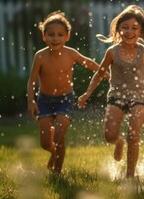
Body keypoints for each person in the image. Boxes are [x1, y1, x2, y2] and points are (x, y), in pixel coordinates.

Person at [78, 5, 144, 178]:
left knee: (133, 136)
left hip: (140, 97)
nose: (129, 31)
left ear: (141, 31)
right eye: (125, 27)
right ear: (118, 29)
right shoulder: (112, 52)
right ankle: (118, 142)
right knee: (109, 135)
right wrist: (87, 93)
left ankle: (130, 176)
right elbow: (99, 74)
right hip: (117, 95)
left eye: (134, 28)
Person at [27, 11, 102, 174]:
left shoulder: (71, 53)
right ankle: (52, 153)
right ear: (44, 36)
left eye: (60, 35)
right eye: (51, 35)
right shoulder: (40, 56)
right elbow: (32, 80)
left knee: (59, 138)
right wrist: (31, 101)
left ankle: (57, 173)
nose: (55, 38)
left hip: (65, 100)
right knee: (46, 144)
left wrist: (104, 72)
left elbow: (88, 62)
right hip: (44, 101)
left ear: (67, 36)